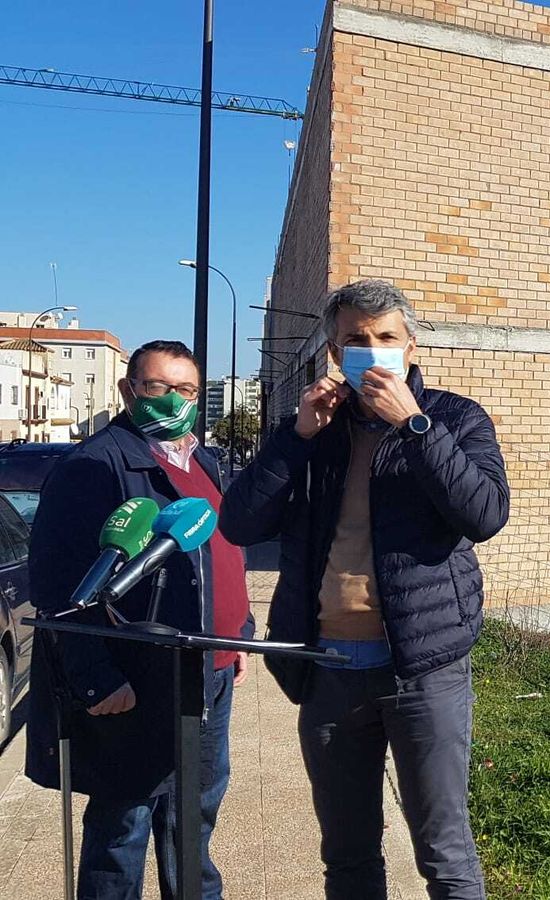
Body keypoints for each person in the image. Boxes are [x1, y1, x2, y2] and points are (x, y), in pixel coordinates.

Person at [221, 280, 509, 900]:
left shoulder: (455, 418)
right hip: (327, 668)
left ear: (410, 346)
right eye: (356, 339)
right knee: (347, 854)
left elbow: (484, 515)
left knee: (445, 851)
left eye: (385, 338)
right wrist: (294, 436)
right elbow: (239, 523)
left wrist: (414, 424)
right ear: (334, 349)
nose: (372, 350)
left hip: (422, 670)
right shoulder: (314, 428)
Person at [26, 340, 251, 900]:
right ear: (129, 391)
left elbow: (218, 553)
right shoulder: (93, 466)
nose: (175, 400)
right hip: (137, 678)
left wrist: (236, 635)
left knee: (193, 816)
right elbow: (57, 587)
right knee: (123, 825)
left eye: (187, 390)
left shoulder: (202, 459)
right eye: (159, 387)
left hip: (207, 671)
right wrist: (96, 677)